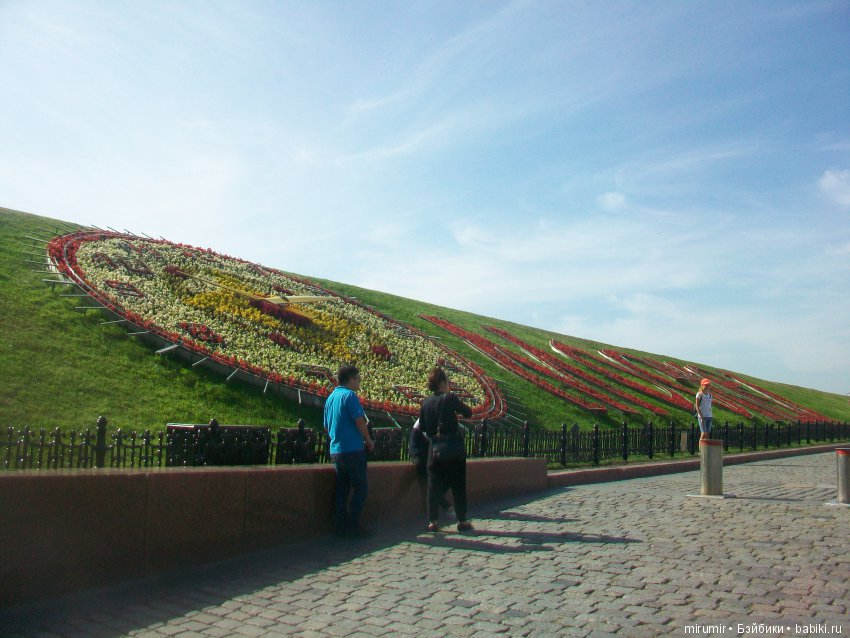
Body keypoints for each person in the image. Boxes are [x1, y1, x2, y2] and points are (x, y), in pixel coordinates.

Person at [418, 366, 473, 533]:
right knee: (458, 484)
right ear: (442, 382)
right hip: (453, 449)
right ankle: (462, 521)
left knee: (433, 486)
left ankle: (433, 521)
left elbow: (423, 427)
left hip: (434, 450)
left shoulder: (426, 403)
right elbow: (468, 412)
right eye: (447, 381)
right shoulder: (449, 398)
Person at [323, 364, 375, 536]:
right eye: (358, 378)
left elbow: (326, 426)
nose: (359, 382)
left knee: (342, 489)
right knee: (361, 487)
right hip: (352, 449)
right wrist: (368, 440)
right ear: (351, 379)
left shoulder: (330, 398)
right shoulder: (350, 396)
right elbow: (359, 420)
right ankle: (353, 525)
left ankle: (340, 525)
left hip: (336, 450)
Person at [409, 419, 452, 516]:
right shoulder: (425, 418)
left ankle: (441, 503)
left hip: (428, 454)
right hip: (419, 454)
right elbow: (430, 437)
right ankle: (446, 506)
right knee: (431, 479)